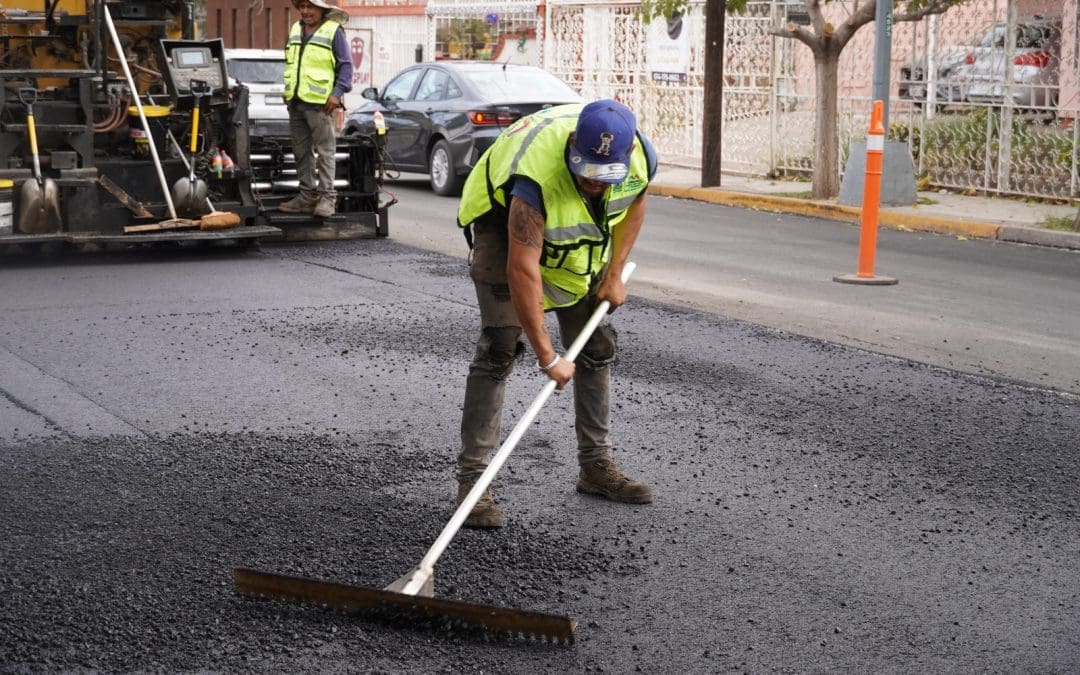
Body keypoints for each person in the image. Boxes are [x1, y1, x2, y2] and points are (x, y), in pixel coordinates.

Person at [454, 99, 659, 529]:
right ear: (571, 147)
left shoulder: (640, 161)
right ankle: (473, 485)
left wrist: (614, 274)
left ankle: (596, 468)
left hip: (573, 240)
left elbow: (635, 204)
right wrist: (548, 356)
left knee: (594, 344)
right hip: (500, 221)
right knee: (500, 347)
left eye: (605, 179)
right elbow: (523, 269)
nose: (595, 185)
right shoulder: (535, 179)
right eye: (587, 174)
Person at [280, 0, 352, 219]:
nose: (305, 11)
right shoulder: (295, 29)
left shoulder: (333, 31)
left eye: (310, 7)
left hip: (321, 103)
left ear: (322, 9)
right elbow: (291, 63)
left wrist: (337, 93)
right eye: (302, 6)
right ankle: (306, 197)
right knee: (301, 152)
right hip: (296, 101)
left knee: (325, 152)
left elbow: (346, 65)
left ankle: (327, 199)